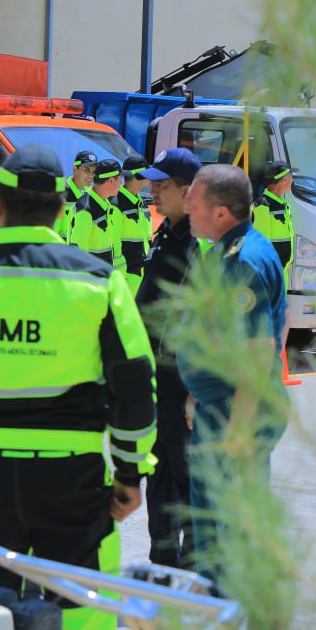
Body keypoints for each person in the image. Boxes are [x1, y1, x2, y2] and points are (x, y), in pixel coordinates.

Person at [0, 143, 156, 630]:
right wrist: (131, 474)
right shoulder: (100, 281)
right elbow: (135, 385)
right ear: (62, 208)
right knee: (83, 613)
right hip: (72, 480)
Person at [180, 163, 287, 591]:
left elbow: (259, 350)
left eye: (193, 202)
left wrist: (239, 427)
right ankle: (216, 605)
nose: (186, 208)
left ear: (220, 213)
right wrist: (197, 393)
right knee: (213, 524)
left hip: (236, 411)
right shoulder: (227, 251)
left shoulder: (242, 261)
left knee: (232, 528)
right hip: (220, 405)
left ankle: (235, 613)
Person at [135, 148, 202, 569]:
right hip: (155, 379)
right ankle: (162, 560)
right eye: (153, 184)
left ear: (188, 190)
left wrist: (196, 390)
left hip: (181, 380)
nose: (153, 192)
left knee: (186, 475)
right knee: (158, 471)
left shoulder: (199, 243)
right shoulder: (167, 232)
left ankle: (192, 567)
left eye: (162, 185)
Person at [68, 158, 123, 268]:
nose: (121, 184)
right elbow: (79, 259)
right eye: (120, 180)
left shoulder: (105, 205)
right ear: (111, 181)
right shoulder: (85, 211)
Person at [250, 160, 294, 286]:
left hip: (280, 272)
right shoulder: (263, 207)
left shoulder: (282, 204)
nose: (293, 180)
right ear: (284, 180)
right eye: (291, 177)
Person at [114, 157, 153, 293]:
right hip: (124, 280)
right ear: (139, 175)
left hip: (141, 278)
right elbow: (112, 245)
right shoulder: (116, 204)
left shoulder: (142, 203)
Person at [58, 150, 97, 238]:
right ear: (75, 168)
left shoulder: (93, 195)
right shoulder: (60, 193)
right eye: (86, 170)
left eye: (94, 171)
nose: (91, 175)